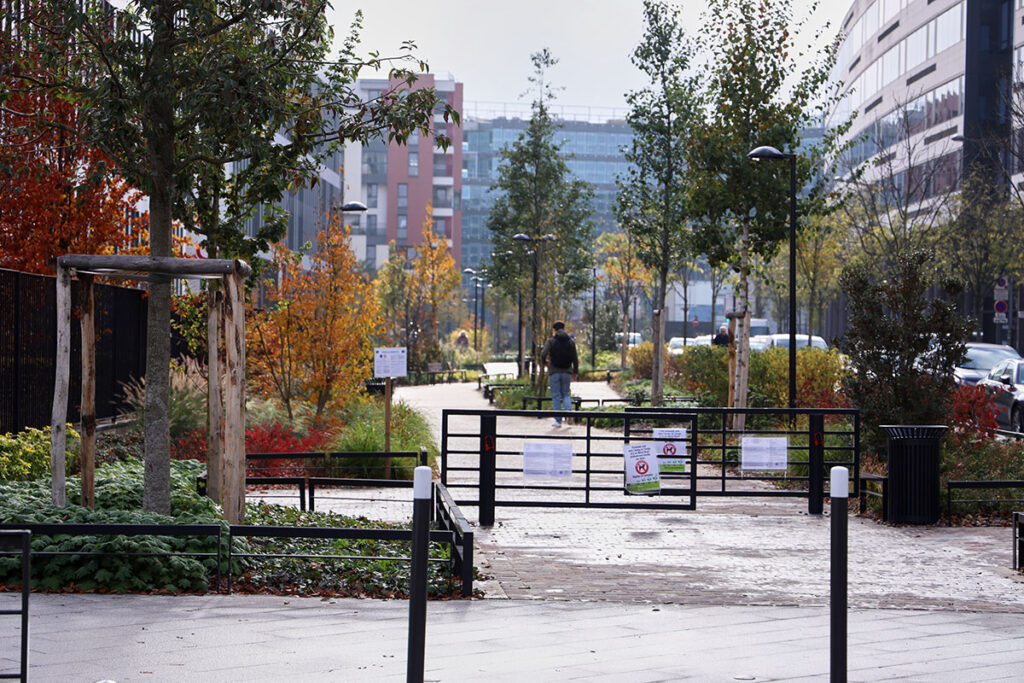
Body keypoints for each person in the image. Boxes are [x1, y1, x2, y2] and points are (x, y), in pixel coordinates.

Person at [539, 321, 579, 428]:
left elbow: (543, 353)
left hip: (554, 371)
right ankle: (569, 413)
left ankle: (558, 421)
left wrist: (545, 363)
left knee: (556, 395)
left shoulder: (551, 341)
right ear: (564, 328)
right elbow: (575, 358)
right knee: (566, 394)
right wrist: (575, 372)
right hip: (567, 371)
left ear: (554, 330)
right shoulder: (571, 342)